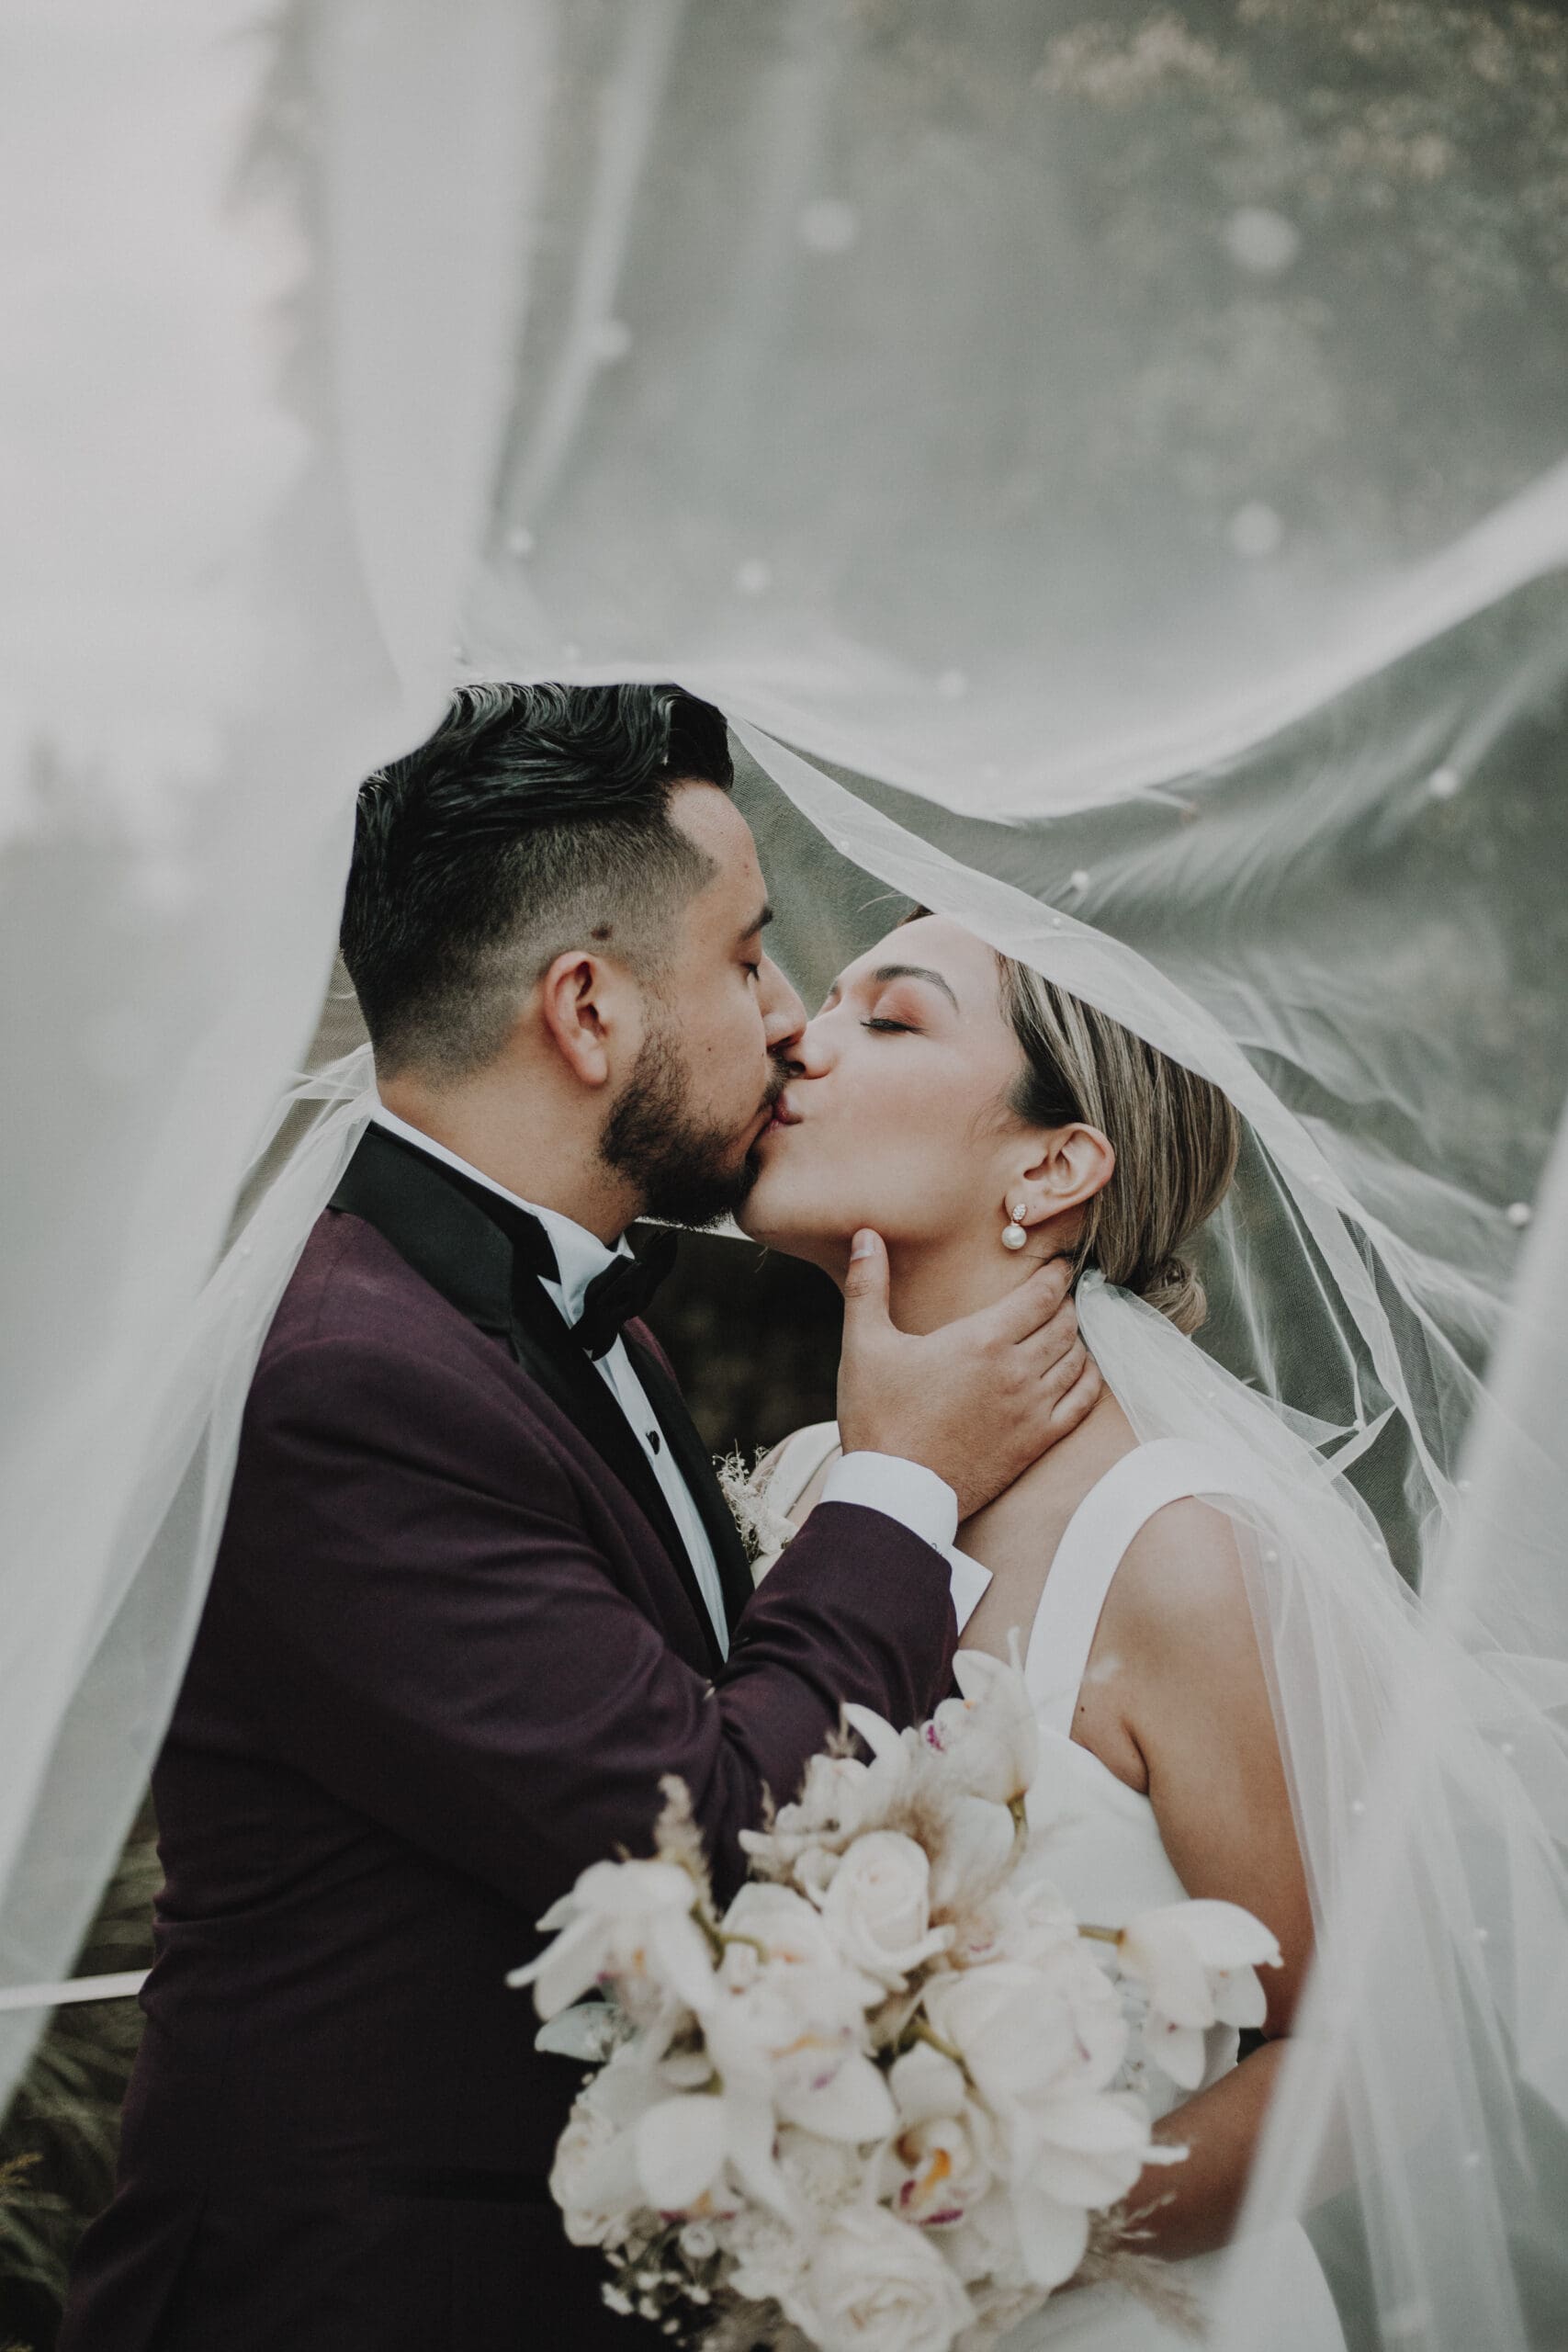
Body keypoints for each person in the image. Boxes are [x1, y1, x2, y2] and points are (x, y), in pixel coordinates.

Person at [57, 686, 1100, 2352]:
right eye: (747, 960)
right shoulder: (349, 1381)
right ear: (590, 1010)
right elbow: (709, 1834)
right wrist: (904, 1479)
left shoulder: (552, 1317)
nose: (788, 1024)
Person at [742, 911, 1349, 2348]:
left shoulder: (1177, 1551)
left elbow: (1345, 2063)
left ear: (1055, 1166)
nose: (796, 1040)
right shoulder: (803, 1487)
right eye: (823, 1003)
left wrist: (970, 2227)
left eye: (888, 1018)